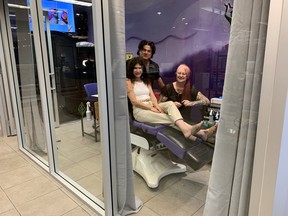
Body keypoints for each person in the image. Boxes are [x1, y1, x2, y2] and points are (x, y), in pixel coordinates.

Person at [126, 57, 214, 142]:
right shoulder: (128, 82)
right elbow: (134, 101)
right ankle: (198, 133)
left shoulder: (146, 80)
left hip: (151, 104)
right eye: (135, 68)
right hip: (140, 110)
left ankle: (192, 132)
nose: (138, 70)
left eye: (139, 68)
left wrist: (157, 107)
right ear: (131, 69)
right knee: (167, 117)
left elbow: (152, 96)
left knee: (170, 104)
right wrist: (151, 108)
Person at [160, 64, 217, 140]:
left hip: (187, 120)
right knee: (193, 136)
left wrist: (191, 103)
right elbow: (158, 105)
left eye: (183, 74)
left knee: (197, 137)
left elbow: (206, 101)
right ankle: (203, 133)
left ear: (187, 76)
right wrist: (171, 104)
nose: (181, 75)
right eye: (179, 73)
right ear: (176, 74)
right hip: (170, 119)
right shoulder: (168, 88)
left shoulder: (190, 89)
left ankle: (203, 134)